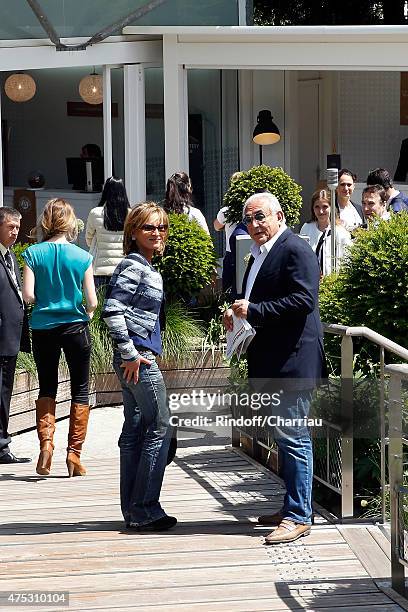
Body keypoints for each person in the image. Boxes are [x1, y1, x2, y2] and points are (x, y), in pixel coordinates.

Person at [223, 192, 325, 545]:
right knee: (285, 437)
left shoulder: (295, 249)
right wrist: (236, 314)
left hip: (293, 362)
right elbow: (256, 301)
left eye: (260, 217)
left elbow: (304, 299)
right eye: (249, 219)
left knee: (294, 438)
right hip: (273, 360)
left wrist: (254, 311)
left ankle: (299, 515)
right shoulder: (259, 255)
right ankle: (291, 507)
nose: (254, 225)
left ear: (279, 216)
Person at [102, 202, 176, 532]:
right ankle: (145, 506)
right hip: (138, 358)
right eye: (149, 227)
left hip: (134, 356)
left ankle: (133, 511)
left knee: (133, 430)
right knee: (161, 425)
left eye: (161, 227)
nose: (157, 232)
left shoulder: (144, 265)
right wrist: (130, 353)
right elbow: (111, 311)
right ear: (133, 232)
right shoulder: (134, 266)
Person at [22, 198, 97, 477]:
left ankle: (46, 447)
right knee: (80, 387)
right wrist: (86, 313)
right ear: (70, 222)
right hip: (75, 327)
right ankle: (74, 456)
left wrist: (43, 303)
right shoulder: (82, 256)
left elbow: (28, 295)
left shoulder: (32, 253)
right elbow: (92, 300)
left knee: (47, 387)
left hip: (43, 327)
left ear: (46, 220)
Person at [0, 207, 31, 465]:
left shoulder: (10, 255)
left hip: (10, 338)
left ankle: (2, 447)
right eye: (10, 227)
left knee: (4, 393)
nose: (15, 232)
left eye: (17, 228)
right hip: (1, 338)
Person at [85, 177, 129, 290]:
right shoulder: (130, 214)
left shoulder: (95, 213)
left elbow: (89, 239)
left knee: (100, 305)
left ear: (106, 191)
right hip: (123, 269)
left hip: (100, 270)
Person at [300, 189, 352, 275]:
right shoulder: (307, 228)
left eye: (325, 207)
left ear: (331, 207)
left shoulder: (341, 232)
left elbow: (348, 260)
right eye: (317, 207)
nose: (321, 211)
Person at [213, 171, 242, 293]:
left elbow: (216, 226)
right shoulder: (254, 207)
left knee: (229, 291)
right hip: (252, 252)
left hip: (232, 254)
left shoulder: (227, 211)